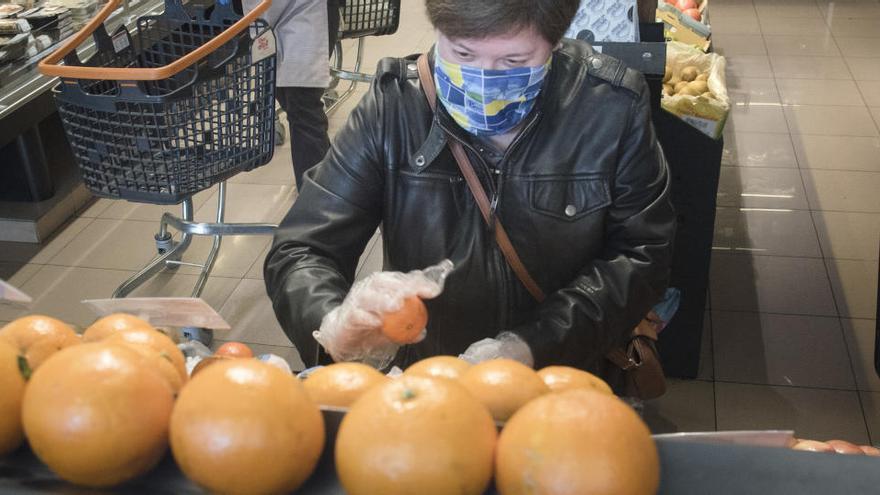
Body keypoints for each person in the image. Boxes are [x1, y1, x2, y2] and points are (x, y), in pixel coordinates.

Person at [264, 0, 676, 378]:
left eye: (514, 60)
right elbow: (303, 249)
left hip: (559, 378)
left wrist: (534, 345)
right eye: (462, 54)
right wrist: (331, 321)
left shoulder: (609, 107)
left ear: (554, 43)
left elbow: (641, 253)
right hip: (430, 378)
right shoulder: (396, 108)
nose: (483, 79)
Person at [243, 0, 342, 188]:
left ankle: (316, 203)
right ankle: (335, 180)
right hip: (262, 13)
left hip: (308, 8)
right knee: (285, 94)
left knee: (302, 103)